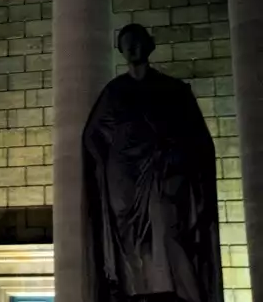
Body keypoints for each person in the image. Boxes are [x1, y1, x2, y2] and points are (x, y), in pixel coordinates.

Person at [83, 23, 222, 302]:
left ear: (151, 44)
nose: (133, 48)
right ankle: (135, 292)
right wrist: (105, 170)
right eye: (127, 43)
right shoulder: (114, 92)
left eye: (138, 41)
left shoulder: (173, 90)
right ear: (120, 51)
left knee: (171, 230)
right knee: (131, 244)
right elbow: (92, 137)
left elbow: (198, 139)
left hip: (165, 173)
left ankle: (181, 292)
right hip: (124, 179)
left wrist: (176, 156)